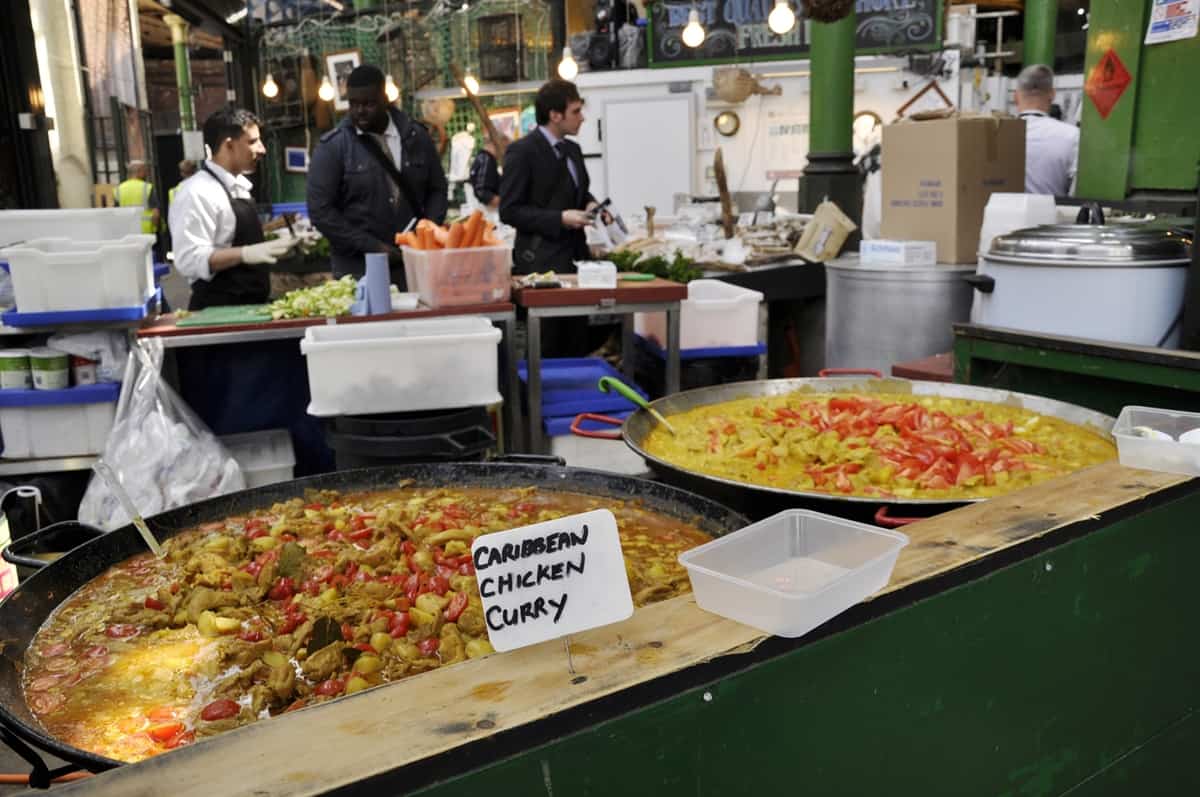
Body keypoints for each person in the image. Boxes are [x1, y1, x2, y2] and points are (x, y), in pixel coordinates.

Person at [307, 64, 448, 286]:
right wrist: (371, 246)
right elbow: (320, 211)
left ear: (385, 99)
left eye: (368, 104)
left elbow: (437, 189)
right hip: (359, 271)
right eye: (353, 104)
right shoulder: (333, 148)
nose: (359, 111)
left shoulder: (416, 137)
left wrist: (427, 231)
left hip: (413, 267)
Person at [169, 107, 294, 310]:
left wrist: (281, 243)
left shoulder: (240, 187)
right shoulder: (197, 192)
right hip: (217, 312)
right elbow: (188, 259)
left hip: (251, 307)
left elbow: (229, 238)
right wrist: (244, 253)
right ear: (229, 145)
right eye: (252, 142)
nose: (262, 149)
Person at [500, 79, 603, 275]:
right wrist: (559, 219)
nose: (582, 118)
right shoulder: (522, 152)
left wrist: (591, 205)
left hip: (577, 258)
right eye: (575, 111)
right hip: (541, 264)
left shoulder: (573, 150)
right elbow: (509, 211)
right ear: (555, 115)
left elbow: (577, 193)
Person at [1015, 64, 1079, 196]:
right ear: (1052, 95)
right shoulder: (1072, 136)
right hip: (1052, 215)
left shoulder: (996, 134)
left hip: (1000, 215)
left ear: (1015, 96)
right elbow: (1076, 192)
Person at [116, 160, 159, 236]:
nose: (147, 174)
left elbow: (116, 213)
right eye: (145, 171)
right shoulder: (147, 187)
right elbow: (155, 214)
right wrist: (155, 229)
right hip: (146, 232)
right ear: (139, 171)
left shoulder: (119, 189)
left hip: (127, 233)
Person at [468, 135, 508, 210]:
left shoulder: (483, 158)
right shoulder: (486, 160)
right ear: (496, 143)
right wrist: (506, 202)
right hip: (488, 214)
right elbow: (482, 191)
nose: (504, 152)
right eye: (505, 147)